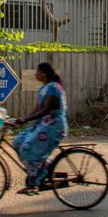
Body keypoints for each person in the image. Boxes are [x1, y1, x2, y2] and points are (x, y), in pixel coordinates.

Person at [10, 62, 68, 195]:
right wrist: (21, 120)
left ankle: (34, 182)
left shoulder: (53, 87)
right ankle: (39, 170)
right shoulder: (44, 88)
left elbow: (46, 109)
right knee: (18, 141)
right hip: (44, 124)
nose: (35, 74)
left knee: (28, 146)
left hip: (54, 126)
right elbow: (37, 110)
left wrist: (25, 120)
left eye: (37, 71)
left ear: (44, 73)